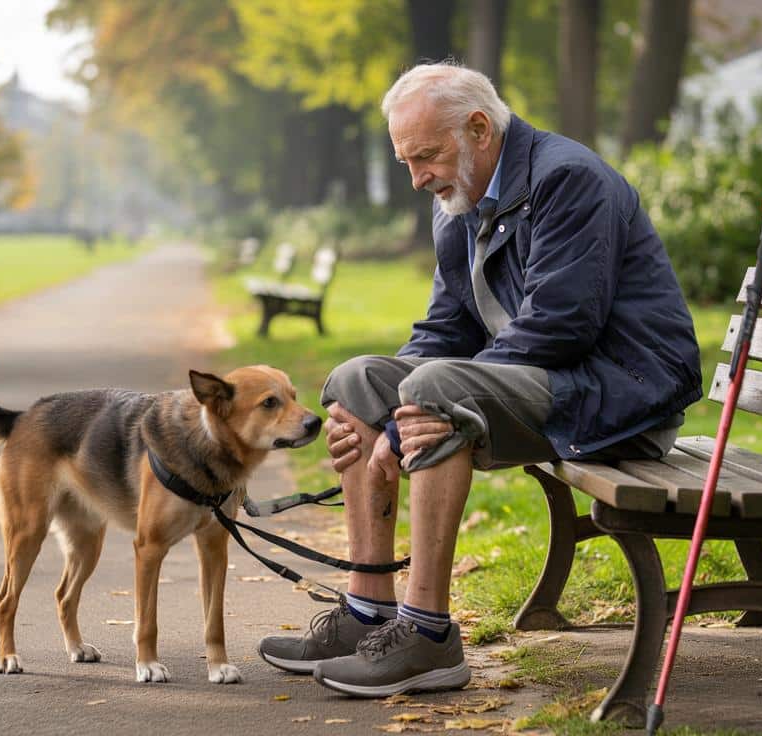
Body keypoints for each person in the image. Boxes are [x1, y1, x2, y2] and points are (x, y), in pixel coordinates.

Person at [257, 62, 702, 697]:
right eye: (406, 161)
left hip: (619, 395)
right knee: (357, 380)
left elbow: (559, 327)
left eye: (427, 156)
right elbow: (445, 329)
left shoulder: (567, 178)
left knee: (435, 391)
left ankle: (429, 635)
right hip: (546, 383)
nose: (417, 179)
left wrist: (401, 420)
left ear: (478, 127)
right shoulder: (457, 203)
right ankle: (367, 612)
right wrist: (378, 412)